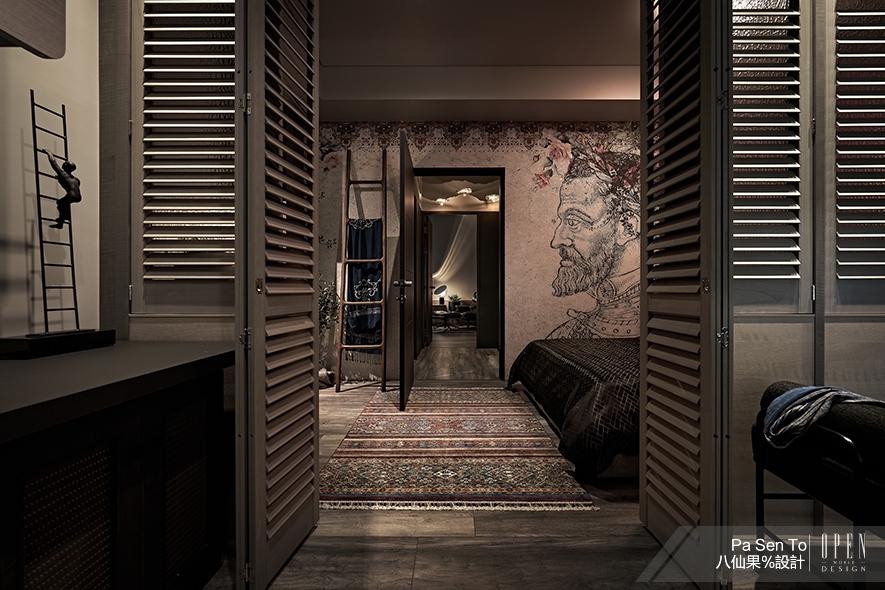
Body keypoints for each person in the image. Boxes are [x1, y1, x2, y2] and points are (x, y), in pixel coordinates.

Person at [547, 151, 641, 339]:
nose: (556, 241)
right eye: (562, 221)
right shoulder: (566, 335)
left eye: (573, 222)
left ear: (626, 227)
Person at [42, 150, 81, 229]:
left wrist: (49, 153)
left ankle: (64, 218)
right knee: (63, 204)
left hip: (71, 195)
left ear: (66, 166)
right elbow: (72, 185)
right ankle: (62, 220)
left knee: (60, 204)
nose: (63, 163)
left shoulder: (63, 174)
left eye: (65, 163)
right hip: (78, 196)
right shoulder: (76, 179)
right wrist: (60, 179)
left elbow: (53, 163)